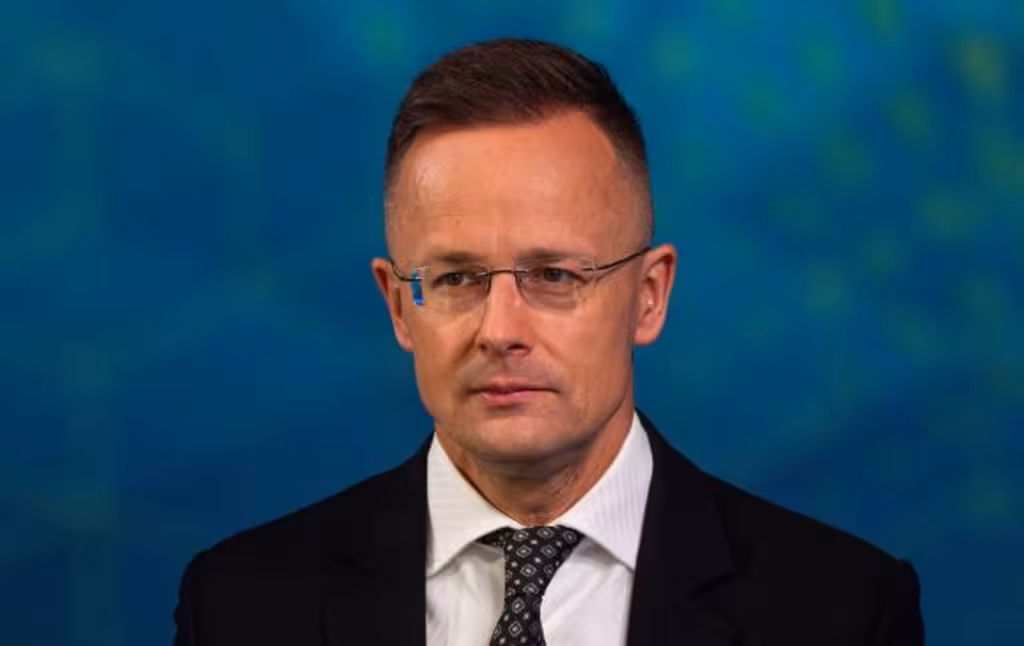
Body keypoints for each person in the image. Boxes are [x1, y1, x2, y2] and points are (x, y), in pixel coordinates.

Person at [172, 38, 924, 645]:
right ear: (399, 306)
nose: (501, 330)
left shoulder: (843, 612)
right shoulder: (239, 608)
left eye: (556, 275)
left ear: (650, 295)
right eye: (457, 278)